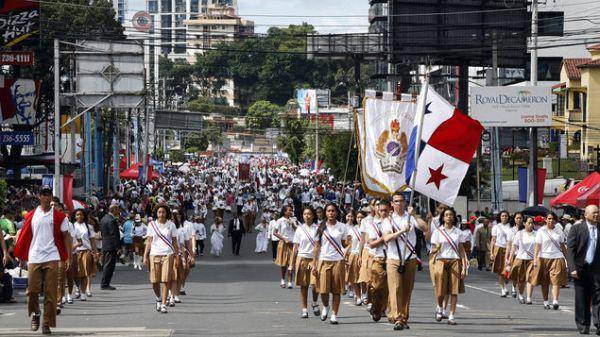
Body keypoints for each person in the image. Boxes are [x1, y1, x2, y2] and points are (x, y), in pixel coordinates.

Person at [13, 186, 72, 335]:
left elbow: (66, 237)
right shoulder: (32, 215)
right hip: (34, 256)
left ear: (51, 197)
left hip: (52, 256)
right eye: (43, 194)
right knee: (32, 291)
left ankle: (46, 323)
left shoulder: (59, 216)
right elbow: (24, 236)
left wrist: (68, 257)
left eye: (48, 194)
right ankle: (36, 313)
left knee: (50, 292)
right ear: (39, 197)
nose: (46, 197)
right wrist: (21, 256)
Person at [384, 193, 428, 330]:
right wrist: (402, 231)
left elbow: (425, 228)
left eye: (401, 201)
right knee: (395, 288)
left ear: (405, 203)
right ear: (392, 203)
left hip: (410, 258)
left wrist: (414, 215)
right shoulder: (388, 220)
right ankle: (398, 318)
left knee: (406, 290)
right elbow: (386, 238)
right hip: (393, 258)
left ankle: (403, 317)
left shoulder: (410, 217)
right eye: (396, 201)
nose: (399, 203)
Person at [311, 203, 349, 324]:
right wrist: (314, 263)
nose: (331, 213)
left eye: (333, 211)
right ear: (325, 213)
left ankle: (334, 314)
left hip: (338, 261)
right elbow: (317, 246)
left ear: (337, 213)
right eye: (328, 211)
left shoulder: (342, 227)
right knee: (323, 290)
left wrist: (349, 243)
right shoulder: (321, 227)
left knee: (336, 290)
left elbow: (345, 244)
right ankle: (326, 306)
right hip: (324, 260)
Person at [430, 207, 468, 325]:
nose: (448, 217)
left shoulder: (458, 232)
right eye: (446, 215)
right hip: (441, 261)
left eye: (451, 215)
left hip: (455, 261)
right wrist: (436, 248)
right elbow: (432, 250)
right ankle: (440, 307)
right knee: (441, 291)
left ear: (454, 217)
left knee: (454, 290)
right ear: (443, 217)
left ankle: (451, 316)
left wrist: (465, 265)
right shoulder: (438, 231)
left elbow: (461, 250)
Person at [568, 204, 600, 335]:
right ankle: (583, 324)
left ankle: (598, 323)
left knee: (598, 296)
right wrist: (573, 268)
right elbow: (570, 249)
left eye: (598, 212)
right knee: (582, 298)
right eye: (594, 213)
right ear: (586, 215)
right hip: (581, 268)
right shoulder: (577, 229)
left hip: (596, 269)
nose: (596, 215)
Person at [143, 204, 179, 313]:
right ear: (156, 213)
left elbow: (174, 242)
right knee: (154, 281)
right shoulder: (151, 225)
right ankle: (158, 298)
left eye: (163, 212)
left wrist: (177, 255)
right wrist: (145, 256)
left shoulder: (171, 225)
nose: (161, 214)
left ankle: (163, 304)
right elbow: (149, 241)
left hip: (168, 254)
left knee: (165, 280)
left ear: (167, 213)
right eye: (159, 212)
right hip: (154, 254)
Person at [532, 212, 568, 310]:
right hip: (543, 258)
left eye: (552, 219)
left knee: (556, 280)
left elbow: (563, 246)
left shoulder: (559, 231)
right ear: (546, 220)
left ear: (555, 220)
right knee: (545, 281)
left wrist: (567, 259)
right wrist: (535, 259)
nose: (551, 220)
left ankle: (555, 301)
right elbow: (537, 246)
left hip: (557, 257)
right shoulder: (541, 231)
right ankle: (546, 301)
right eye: (549, 218)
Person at [290, 206, 320, 318]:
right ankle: (304, 309)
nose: (307, 216)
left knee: (314, 284)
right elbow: (295, 247)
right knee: (304, 285)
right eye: (305, 214)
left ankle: (315, 302)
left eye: (309, 214)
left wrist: (315, 261)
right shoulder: (299, 229)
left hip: (313, 259)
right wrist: (291, 264)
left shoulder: (317, 228)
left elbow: (317, 246)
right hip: (301, 259)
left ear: (313, 215)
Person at [365, 200, 388, 323]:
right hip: (378, 257)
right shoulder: (372, 224)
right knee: (377, 286)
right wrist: (386, 237)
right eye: (381, 210)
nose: (383, 213)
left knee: (390, 287)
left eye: (386, 210)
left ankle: (387, 311)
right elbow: (371, 243)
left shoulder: (394, 222)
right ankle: (376, 307)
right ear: (377, 211)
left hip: (393, 257)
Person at [508, 216, 536, 304]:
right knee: (521, 279)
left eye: (532, 223)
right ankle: (520, 294)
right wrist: (509, 259)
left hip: (531, 259)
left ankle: (528, 297)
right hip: (520, 258)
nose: (530, 225)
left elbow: (539, 247)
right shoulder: (519, 234)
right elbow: (514, 246)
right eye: (529, 223)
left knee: (530, 278)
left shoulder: (537, 234)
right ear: (524, 223)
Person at [71, 209, 97, 302]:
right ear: (75, 216)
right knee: (75, 273)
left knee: (85, 274)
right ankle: (77, 287)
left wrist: (95, 252)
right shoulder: (72, 226)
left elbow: (93, 241)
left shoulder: (89, 227)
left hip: (86, 252)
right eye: (77, 215)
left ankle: (83, 293)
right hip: (75, 252)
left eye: (81, 215)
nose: (79, 216)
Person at [274, 205, 297, 289]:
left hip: (292, 243)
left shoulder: (293, 220)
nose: (291, 211)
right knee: (283, 264)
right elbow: (275, 232)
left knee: (291, 263)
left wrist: (293, 224)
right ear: (284, 212)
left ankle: (290, 281)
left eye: (292, 210)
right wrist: (284, 239)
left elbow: (297, 231)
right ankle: (282, 279)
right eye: (289, 210)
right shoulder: (280, 220)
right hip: (283, 243)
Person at [490, 211, 511, 297]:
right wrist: (491, 252)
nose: (504, 217)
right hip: (498, 248)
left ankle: (506, 284)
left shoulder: (511, 227)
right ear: (500, 217)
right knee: (500, 270)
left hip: (508, 249)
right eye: (502, 216)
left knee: (507, 270)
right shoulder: (496, 227)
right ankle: (503, 289)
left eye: (506, 216)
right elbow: (493, 240)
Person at [100, 204, 121, 290]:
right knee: (109, 265)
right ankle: (105, 284)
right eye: (117, 209)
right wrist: (118, 247)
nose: (118, 211)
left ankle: (105, 283)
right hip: (111, 245)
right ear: (114, 210)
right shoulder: (112, 220)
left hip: (105, 244)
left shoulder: (104, 218)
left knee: (106, 264)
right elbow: (114, 235)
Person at [346, 210, 363, 306]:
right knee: (355, 277)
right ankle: (358, 296)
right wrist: (345, 255)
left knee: (364, 278)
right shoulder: (352, 230)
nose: (360, 219)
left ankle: (364, 295)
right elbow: (348, 244)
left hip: (364, 255)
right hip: (353, 254)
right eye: (358, 217)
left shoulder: (368, 228)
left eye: (361, 217)